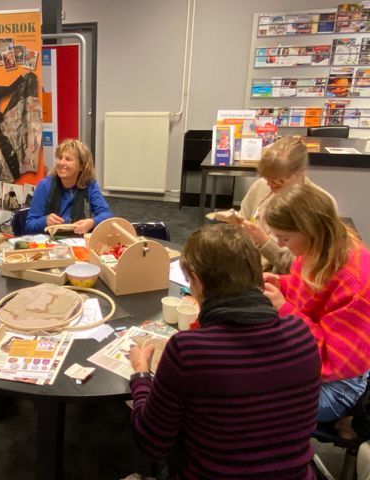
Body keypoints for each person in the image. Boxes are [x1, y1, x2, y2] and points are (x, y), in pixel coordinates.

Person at [129, 224, 321, 479]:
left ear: (197, 281)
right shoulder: (301, 334)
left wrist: (141, 376)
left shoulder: (188, 350)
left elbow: (152, 442)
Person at [263, 183, 370, 423]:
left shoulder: (355, 283)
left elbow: (331, 360)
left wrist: (285, 310)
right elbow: (313, 296)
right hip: (318, 364)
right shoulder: (316, 248)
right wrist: (282, 284)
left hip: (338, 385)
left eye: (285, 238)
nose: (279, 245)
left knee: (253, 397)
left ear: (310, 230)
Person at [239, 136, 336, 273]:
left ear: (300, 172)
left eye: (278, 181)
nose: (270, 185)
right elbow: (241, 222)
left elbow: (307, 268)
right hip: (245, 267)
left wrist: (264, 242)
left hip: (280, 277)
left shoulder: (318, 205)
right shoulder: (261, 187)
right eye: (266, 178)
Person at [25, 139, 113, 235]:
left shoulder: (89, 185)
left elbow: (107, 216)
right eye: (60, 158)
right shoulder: (45, 185)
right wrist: (45, 220)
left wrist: (92, 222)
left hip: (79, 240)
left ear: (81, 166)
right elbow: (29, 225)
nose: (61, 163)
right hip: (50, 241)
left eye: (68, 159)